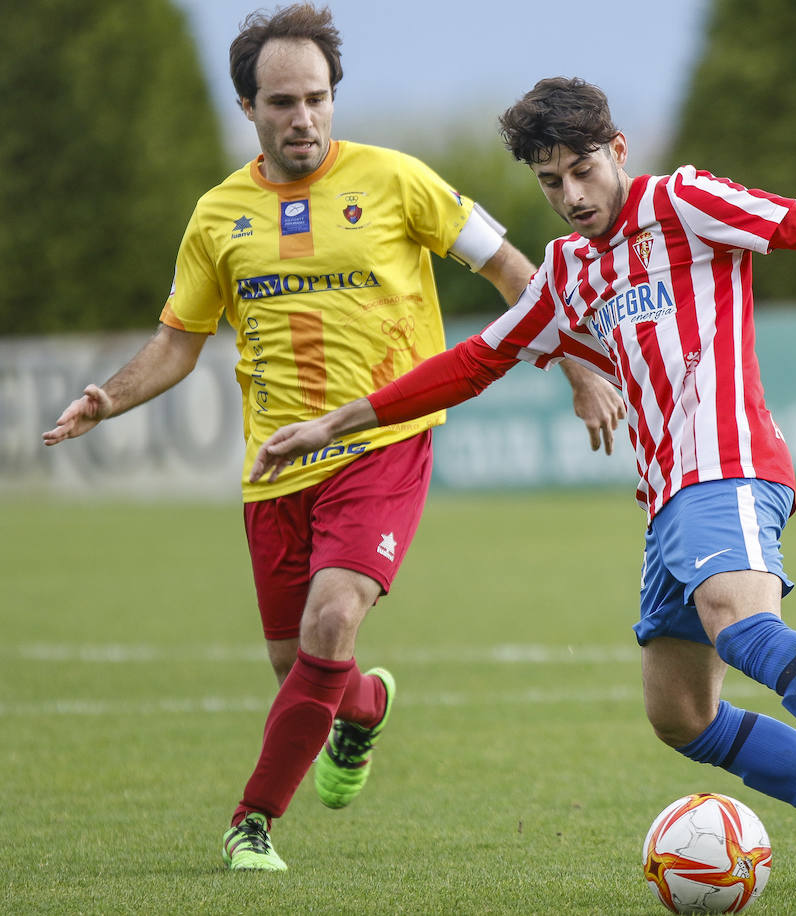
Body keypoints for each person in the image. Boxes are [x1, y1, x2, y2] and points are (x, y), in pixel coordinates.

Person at [251, 76, 796, 887]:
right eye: (550, 181)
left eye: (583, 170)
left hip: (728, 463)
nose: (571, 195)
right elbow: (474, 362)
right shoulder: (570, 271)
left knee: (737, 622)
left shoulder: (682, 202)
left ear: (618, 150)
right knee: (680, 714)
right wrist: (336, 422)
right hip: (666, 502)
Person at [41, 13, 622, 872]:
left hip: (385, 441)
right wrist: (106, 396)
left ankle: (251, 822)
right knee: (302, 664)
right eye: (283, 101)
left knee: (334, 614)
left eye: (318, 98)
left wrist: (579, 369)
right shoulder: (217, 218)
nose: (304, 117)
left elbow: (515, 275)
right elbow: (178, 341)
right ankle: (362, 709)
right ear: (250, 108)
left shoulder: (399, 181)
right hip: (277, 466)